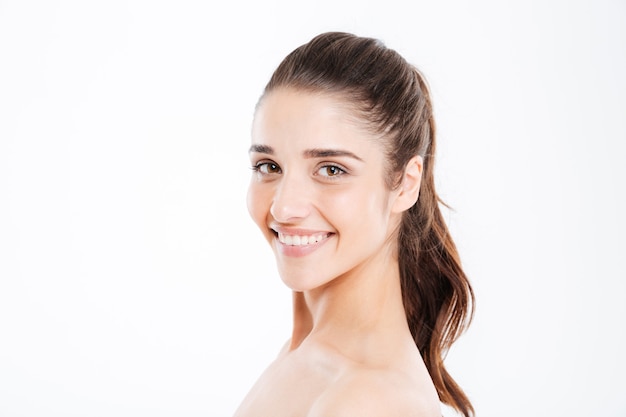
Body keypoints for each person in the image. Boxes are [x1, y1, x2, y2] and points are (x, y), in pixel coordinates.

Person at [234, 31, 474, 417]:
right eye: (269, 166)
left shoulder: (368, 401)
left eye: (331, 169)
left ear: (405, 184)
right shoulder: (309, 353)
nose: (283, 207)